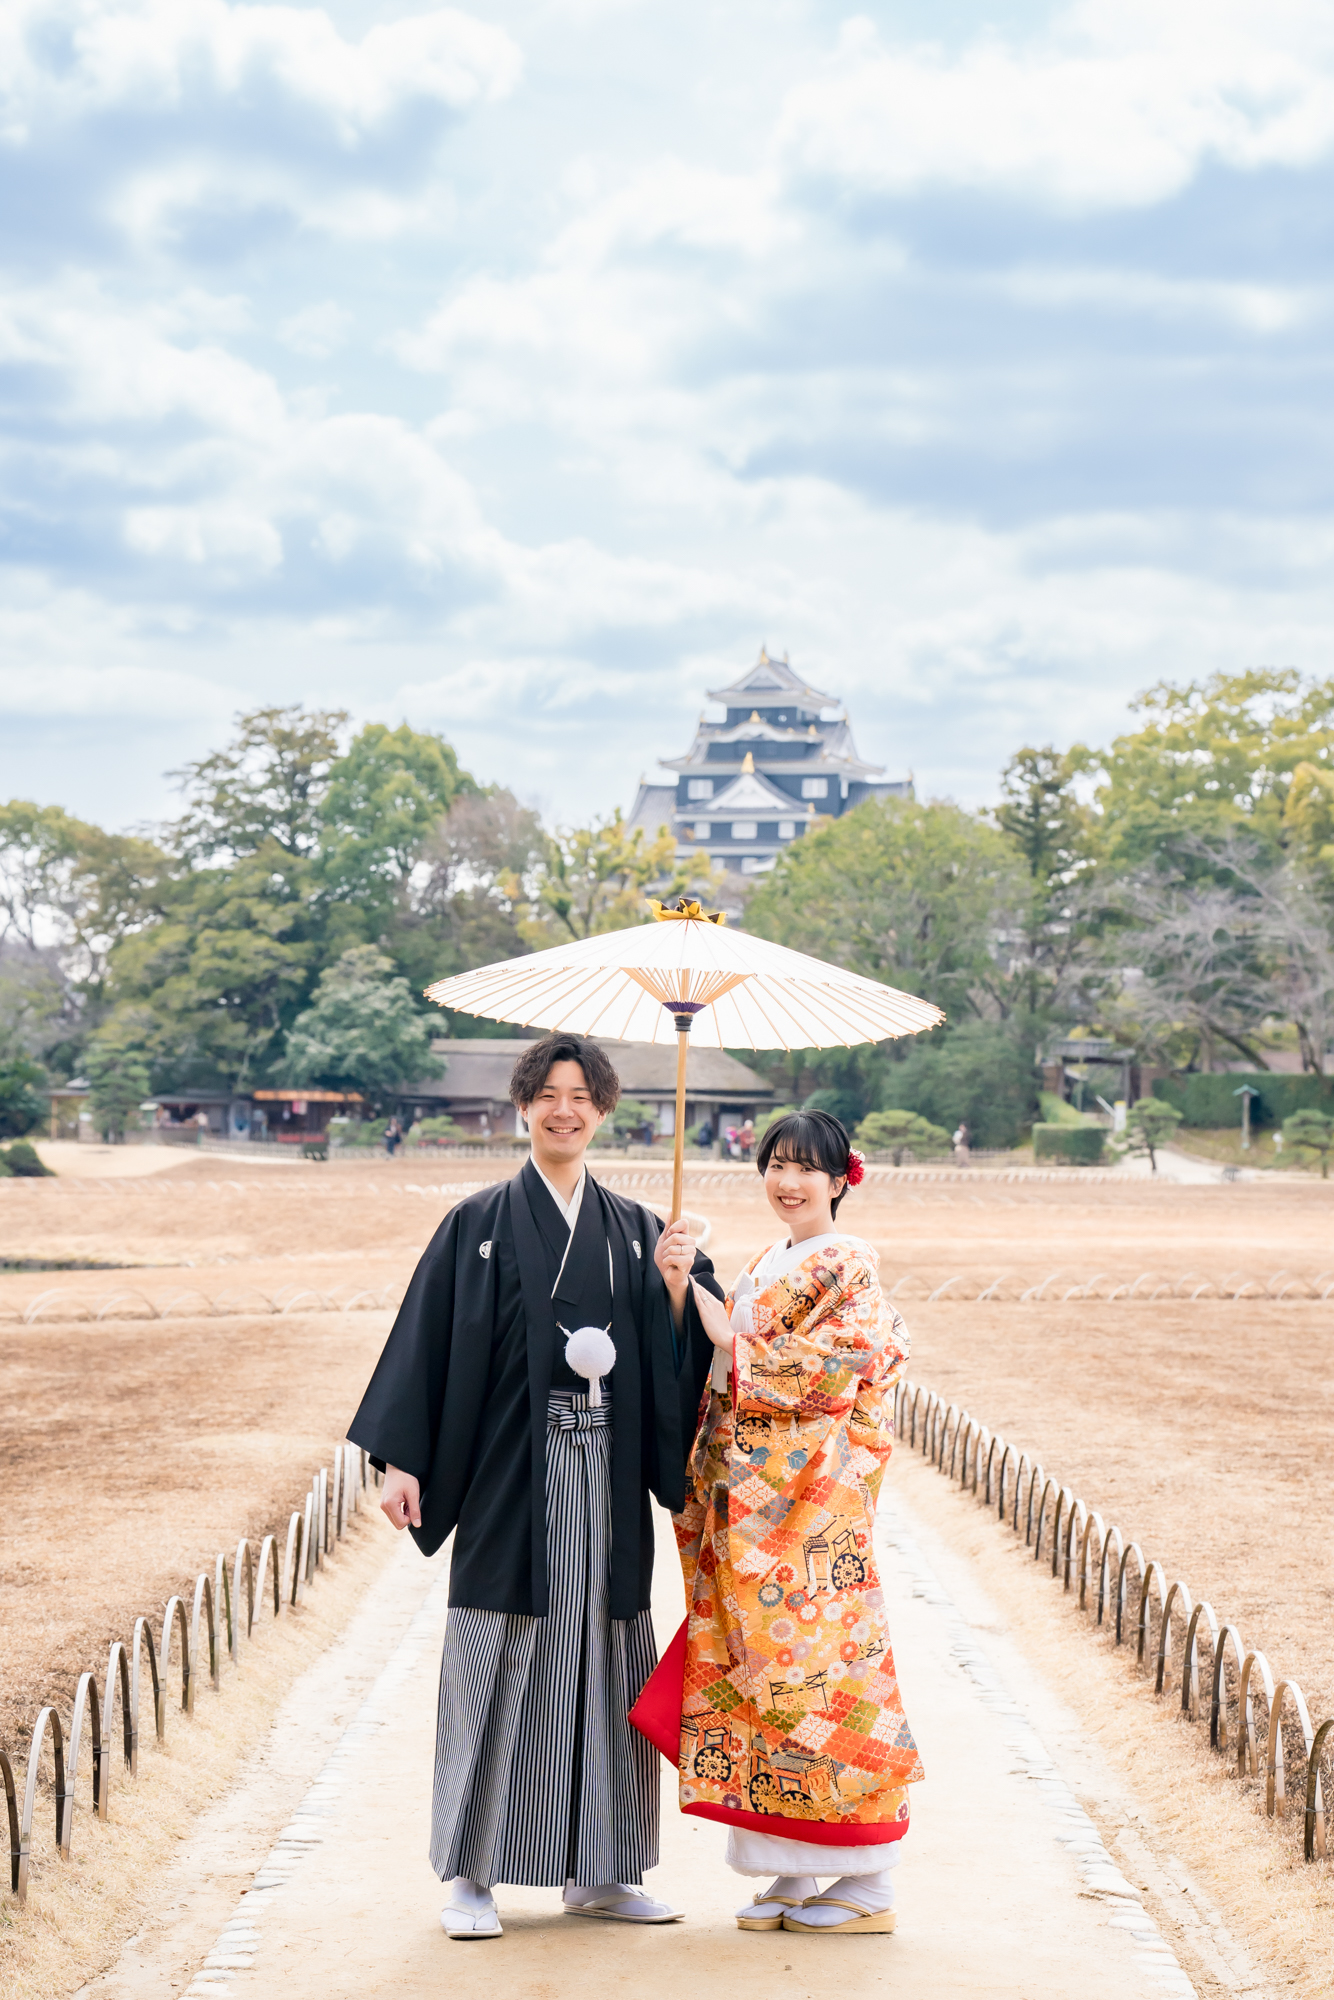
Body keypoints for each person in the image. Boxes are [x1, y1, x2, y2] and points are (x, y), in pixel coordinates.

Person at [348, 1033, 722, 1942]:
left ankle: (603, 1869)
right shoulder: (477, 1223)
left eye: (581, 1095)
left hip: (607, 1478)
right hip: (512, 1474)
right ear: (522, 1106)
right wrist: (404, 1459)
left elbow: (689, 1355)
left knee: (606, 1658)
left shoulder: (641, 1230)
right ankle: (471, 1873)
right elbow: (426, 1342)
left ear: (603, 1110)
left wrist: (676, 1289)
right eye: (548, 1094)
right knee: (497, 1652)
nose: (565, 1110)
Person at [657, 1108, 923, 1936]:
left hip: (811, 1514)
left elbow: (839, 1368)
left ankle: (869, 1880)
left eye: (808, 1167)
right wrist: (681, 1285)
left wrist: (727, 1335)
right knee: (757, 1674)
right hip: (751, 1498)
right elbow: (723, 1360)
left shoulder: (848, 1264)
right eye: (776, 1163)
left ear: (842, 1179)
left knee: (823, 1674)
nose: (789, 1180)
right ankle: (792, 1869)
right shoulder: (768, 1260)